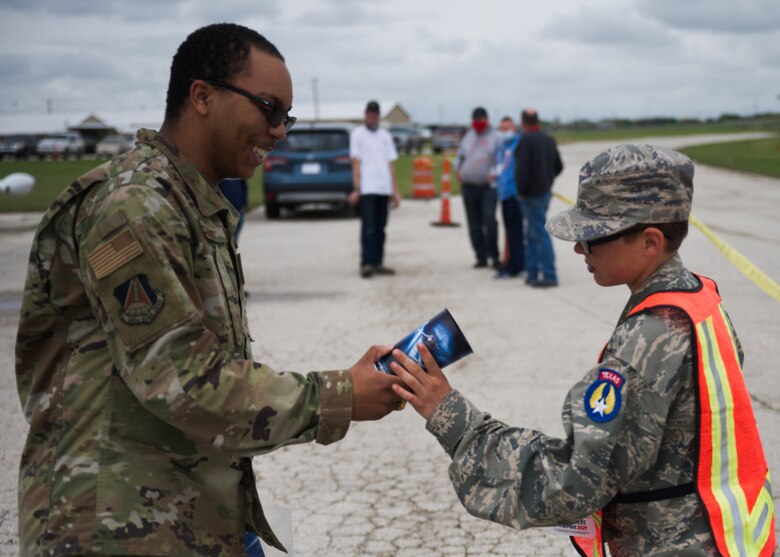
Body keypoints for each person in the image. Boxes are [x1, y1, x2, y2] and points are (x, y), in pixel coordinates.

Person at [15, 23, 404, 557]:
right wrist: (339, 395)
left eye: (285, 117)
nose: (279, 132)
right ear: (202, 96)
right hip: (117, 525)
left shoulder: (193, 202)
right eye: (269, 110)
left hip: (188, 508)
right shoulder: (135, 205)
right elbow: (183, 380)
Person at [390, 144, 775, 556]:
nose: (579, 249)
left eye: (592, 237)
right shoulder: (700, 298)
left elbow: (575, 481)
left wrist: (452, 417)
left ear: (650, 241)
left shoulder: (650, 337)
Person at [348, 100, 401, 278]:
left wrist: (395, 191)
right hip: (367, 187)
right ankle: (366, 263)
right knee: (368, 227)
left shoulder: (385, 136)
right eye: (370, 113)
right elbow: (356, 162)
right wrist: (357, 188)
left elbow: (390, 165)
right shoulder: (358, 135)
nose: (373, 116)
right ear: (366, 114)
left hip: (383, 187)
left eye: (375, 113)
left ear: (379, 115)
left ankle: (378, 262)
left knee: (381, 227)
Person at [515, 108, 563, 287]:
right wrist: (547, 180)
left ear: (523, 122)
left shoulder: (525, 141)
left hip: (530, 194)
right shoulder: (548, 139)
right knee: (532, 233)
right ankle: (533, 272)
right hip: (544, 192)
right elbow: (559, 166)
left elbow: (521, 170)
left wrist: (521, 190)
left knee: (539, 233)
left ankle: (549, 275)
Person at [456, 106, 502, 269]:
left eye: (480, 122)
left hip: (488, 186)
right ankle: (480, 256)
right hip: (469, 186)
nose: (478, 125)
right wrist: (458, 170)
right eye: (475, 122)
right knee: (473, 222)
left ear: (486, 120)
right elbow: (460, 156)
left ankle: (494, 255)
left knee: (489, 219)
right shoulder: (468, 136)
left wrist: (495, 172)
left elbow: (501, 160)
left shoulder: (496, 137)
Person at [491, 116, 524, 279]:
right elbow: (500, 168)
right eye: (501, 129)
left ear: (514, 129)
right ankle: (514, 262)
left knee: (515, 232)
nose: (504, 132)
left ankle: (516, 265)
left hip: (515, 194)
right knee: (510, 232)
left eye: (507, 129)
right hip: (503, 193)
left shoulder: (518, 145)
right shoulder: (503, 147)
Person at [218, 177, 249, 241]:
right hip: (225, 212)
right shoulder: (221, 176)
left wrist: (244, 204)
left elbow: (244, 188)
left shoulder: (239, 174)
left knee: (235, 237)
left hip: (239, 210)